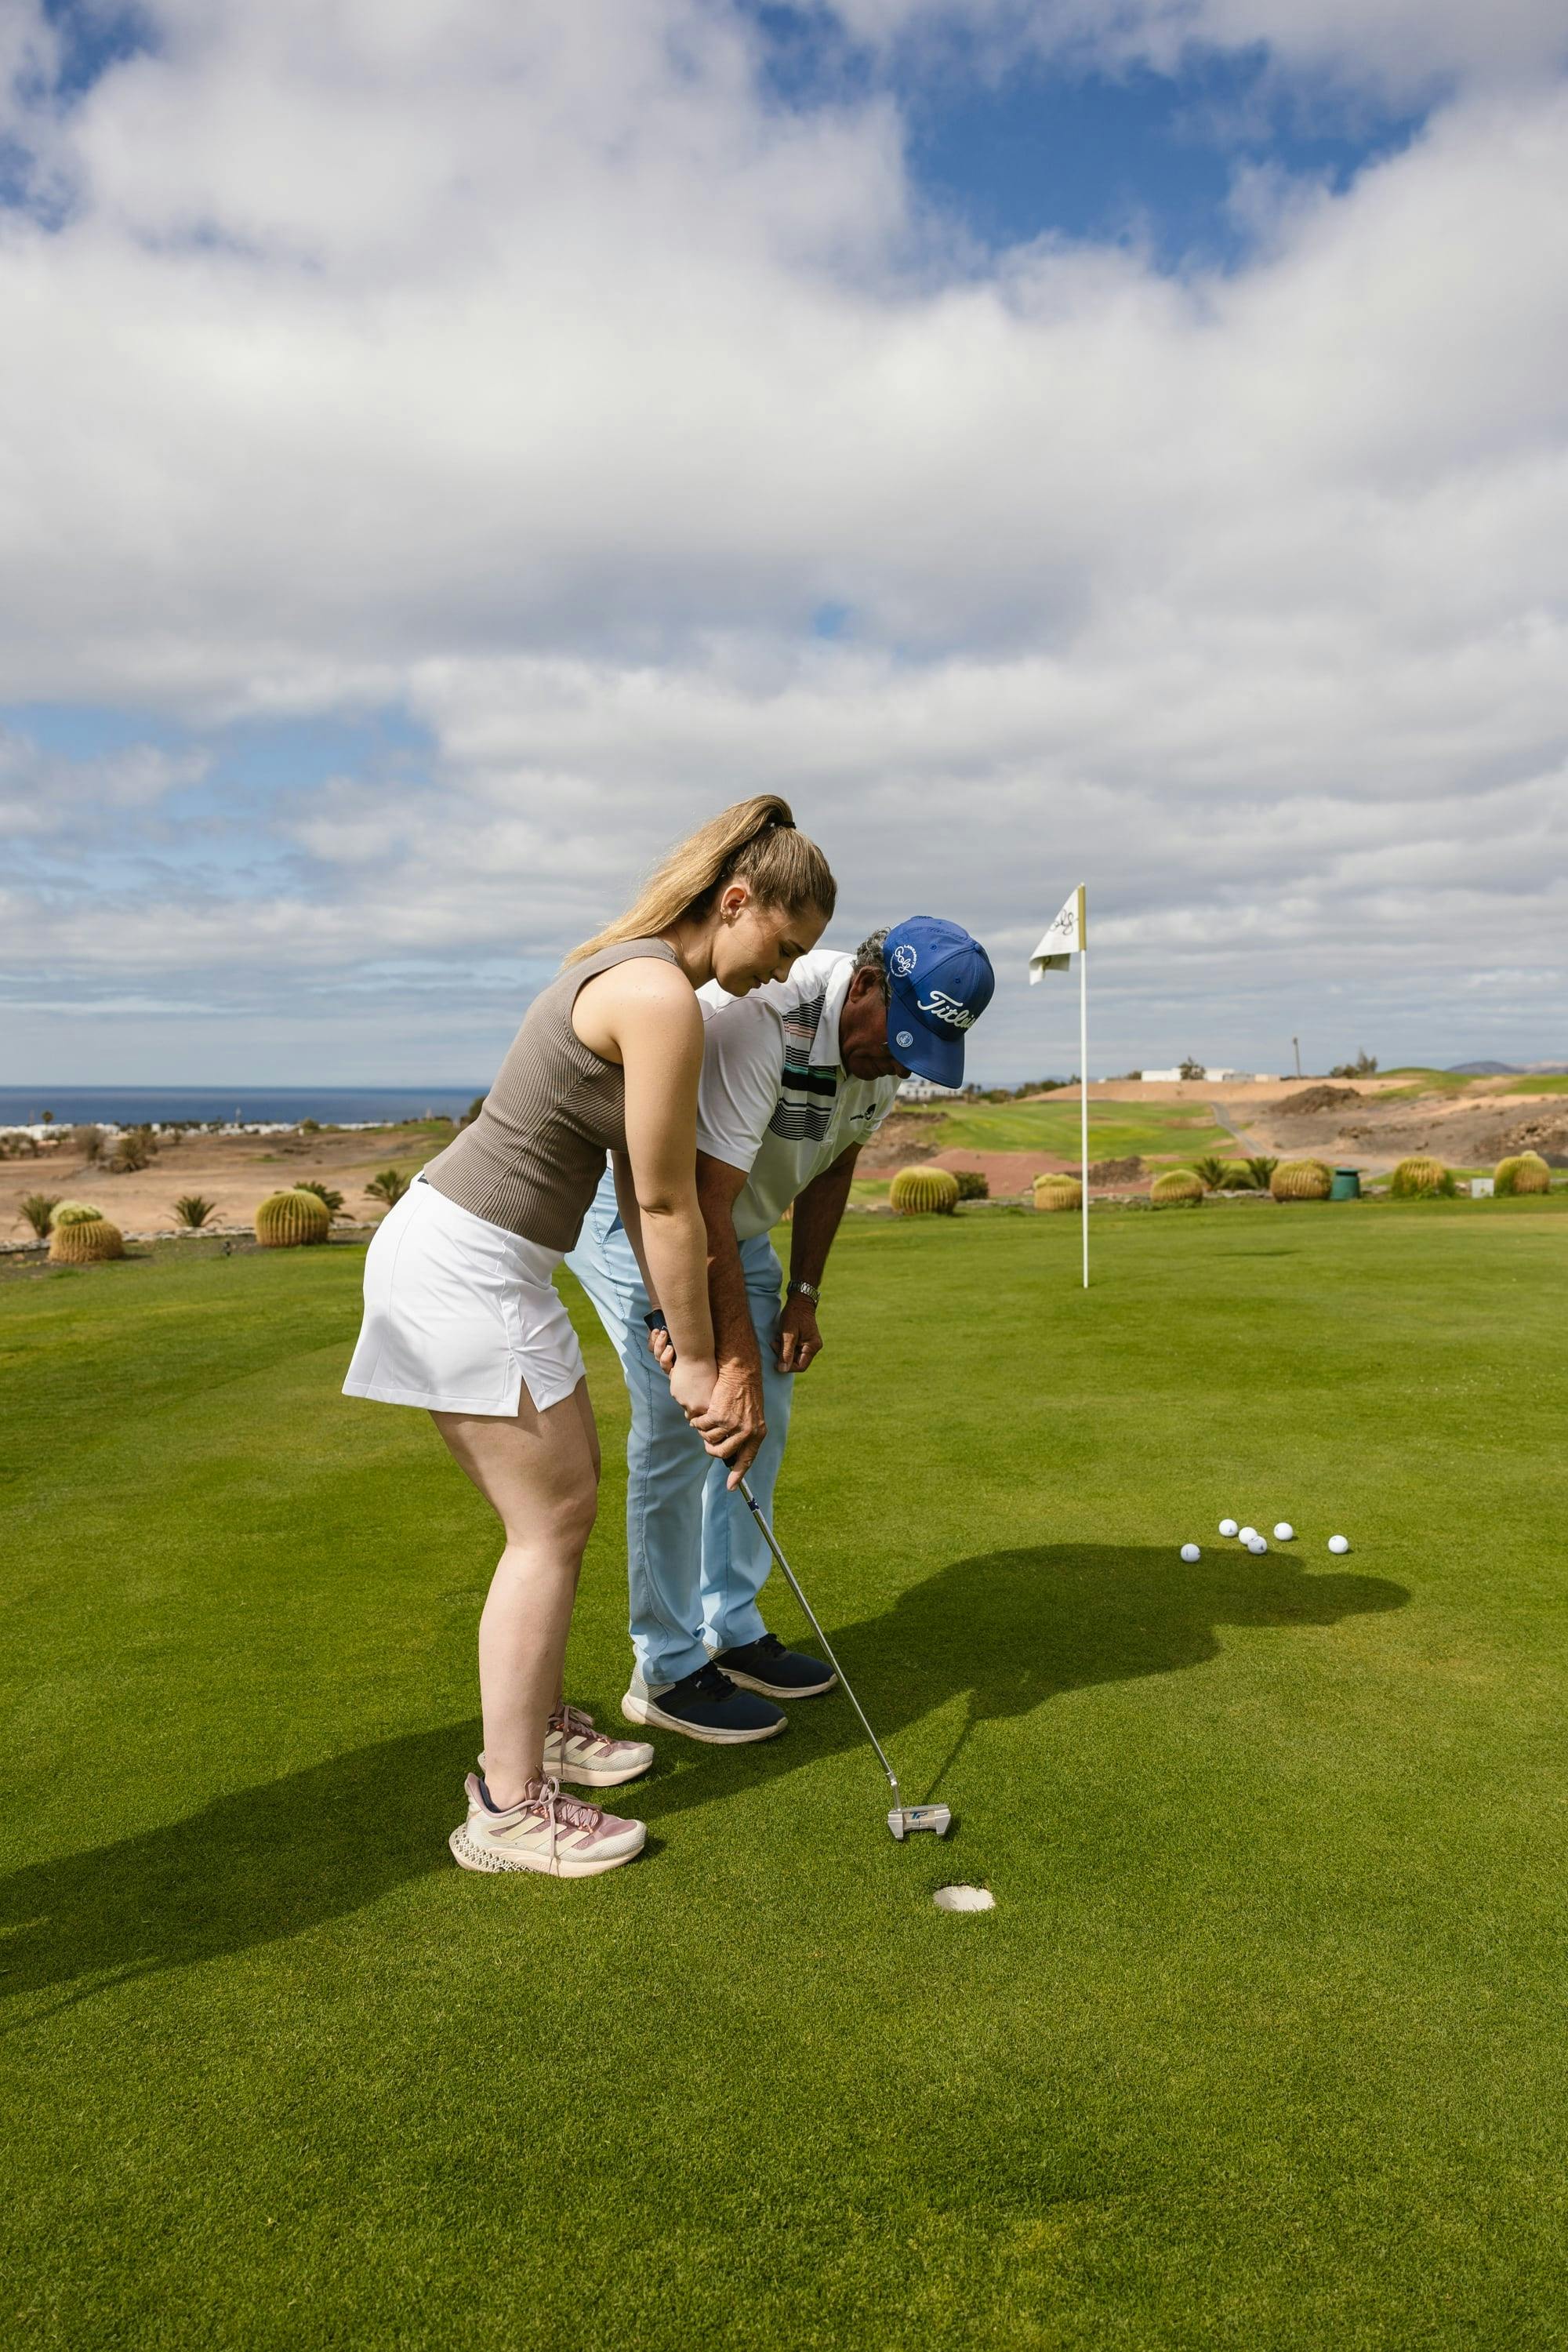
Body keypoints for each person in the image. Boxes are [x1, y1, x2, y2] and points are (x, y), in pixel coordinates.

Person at [342, 797, 836, 1876]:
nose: (782, 973)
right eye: (781, 946)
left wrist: (676, 1328)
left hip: (488, 1260)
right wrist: (705, 1364)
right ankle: (509, 1808)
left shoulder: (637, 971)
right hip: (467, 1265)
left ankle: (536, 1731)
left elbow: (629, 1176)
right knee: (551, 1521)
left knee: (565, 1503)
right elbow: (664, 1206)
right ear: (738, 900)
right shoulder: (664, 996)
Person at [566, 916, 994, 1743]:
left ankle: (730, 1625)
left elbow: (833, 1163)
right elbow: (700, 1200)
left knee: (769, 1404)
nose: (899, 1062)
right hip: (648, 1219)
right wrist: (719, 1359)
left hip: (739, 1226)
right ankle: (663, 1666)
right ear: (866, 984)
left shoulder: (883, 1047)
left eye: (920, 1052)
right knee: (681, 1422)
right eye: (897, 1039)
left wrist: (803, 1295)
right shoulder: (764, 1019)